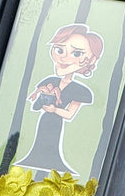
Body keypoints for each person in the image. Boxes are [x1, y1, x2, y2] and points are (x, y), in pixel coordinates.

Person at [15, 24, 104, 178]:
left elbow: (69, 114)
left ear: (90, 60)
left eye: (76, 53)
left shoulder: (80, 90)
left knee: (52, 146)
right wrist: (41, 99)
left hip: (56, 121)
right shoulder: (50, 80)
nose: (64, 57)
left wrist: (54, 110)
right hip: (44, 120)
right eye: (59, 50)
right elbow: (36, 103)